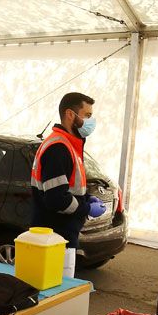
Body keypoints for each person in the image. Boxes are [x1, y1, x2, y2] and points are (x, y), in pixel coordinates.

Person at [30, 92, 106, 278]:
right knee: (58, 295)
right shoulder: (58, 148)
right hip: (55, 239)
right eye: (87, 115)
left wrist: (87, 198)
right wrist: (87, 208)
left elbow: (68, 188)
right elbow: (57, 200)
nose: (90, 121)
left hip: (60, 237)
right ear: (70, 114)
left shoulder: (68, 145)